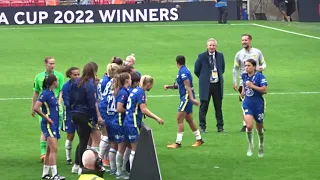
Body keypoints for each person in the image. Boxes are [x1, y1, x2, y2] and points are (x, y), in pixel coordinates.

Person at [123, 75, 164, 169]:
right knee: (135, 149)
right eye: (151, 85)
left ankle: (123, 169)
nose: (152, 87)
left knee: (129, 147)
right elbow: (144, 110)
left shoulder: (135, 90)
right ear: (148, 84)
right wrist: (157, 118)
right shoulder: (140, 92)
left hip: (128, 121)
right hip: (132, 123)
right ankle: (133, 172)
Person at [164, 55, 204, 149]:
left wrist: (192, 99)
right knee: (189, 119)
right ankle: (199, 139)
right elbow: (182, 85)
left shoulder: (183, 72)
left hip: (186, 97)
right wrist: (170, 87)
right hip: (186, 96)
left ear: (176, 62)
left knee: (179, 119)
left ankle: (178, 143)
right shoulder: (184, 70)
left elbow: (187, 86)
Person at [31, 56, 64, 162]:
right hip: (45, 109)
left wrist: (59, 103)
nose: (52, 65)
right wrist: (33, 107)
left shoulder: (59, 76)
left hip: (57, 108)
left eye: (54, 63)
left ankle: (52, 153)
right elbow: (36, 92)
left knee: (55, 130)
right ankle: (43, 153)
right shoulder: (39, 77)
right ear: (45, 64)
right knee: (44, 130)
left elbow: (61, 91)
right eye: (50, 63)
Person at [32, 74, 65, 180]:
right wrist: (46, 118)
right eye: (57, 80)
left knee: (49, 150)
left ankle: (45, 174)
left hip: (53, 124)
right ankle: (55, 174)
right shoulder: (45, 94)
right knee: (54, 149)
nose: (58, 82)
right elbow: (36, 107)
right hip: (49, 125)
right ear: (54, 82)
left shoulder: (51, 93)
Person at [70, 62, 100, 174]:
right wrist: (95, 119)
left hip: (75, 113)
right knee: (84, 140)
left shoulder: (77, 82)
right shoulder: (90, 84)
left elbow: (71, 97)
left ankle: (76, 165)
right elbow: (92, 103)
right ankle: (81, 167)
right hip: (84, 115)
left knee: (81, 139)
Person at [233, 34, 267, 132]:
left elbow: (264, 63)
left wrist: (262, 67)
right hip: (243, 82)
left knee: (258, 100)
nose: (244, 42)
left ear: (250, 40)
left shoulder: (257, 52)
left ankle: (259, 122)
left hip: (257, 81)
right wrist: (235, 82)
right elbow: (235, 69)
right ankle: (245, 124)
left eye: (246, 40)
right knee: (244, 102)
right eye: (242, 40)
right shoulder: (239, 54)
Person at [194, 38, 226, 133]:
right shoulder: (201, 56)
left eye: (213, 45)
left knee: (218, 107)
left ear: (216, 46)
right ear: (207, 46)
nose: (212, 47)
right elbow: (196, 70)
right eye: (210, 45)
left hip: (217, 84)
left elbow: (222, 69)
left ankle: (220, 127)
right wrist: (204, 78)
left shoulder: (220, 56)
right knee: (204, 106)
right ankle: (202, 127)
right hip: (206, 85)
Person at [240, 59, 267, 158]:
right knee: (249, 126)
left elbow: (264, 90)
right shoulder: (244, 75)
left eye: (249, 66)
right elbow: (244, 84)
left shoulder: (260, 76)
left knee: (259, 128)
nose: (246, 67)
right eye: (245, 66)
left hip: (258, 104)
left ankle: (261, 144)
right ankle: (251, 145)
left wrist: (252, 86)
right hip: (247, 103)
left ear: (254, 67)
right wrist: (243, 91)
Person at [98, 63, 121, 169]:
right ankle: (99, 160)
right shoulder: (115, 82)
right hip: (108, 111)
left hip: (103, 108)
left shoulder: (107, 81)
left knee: (107, 136)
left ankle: (103, 159)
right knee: (107, 137)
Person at [110, 72, 131, 179]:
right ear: (127, 80)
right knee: (122, 147)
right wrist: (130, 111)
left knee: (126, 145)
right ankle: (119, 172)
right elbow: (119, 108)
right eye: (130, 79)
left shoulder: (123, 91)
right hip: (120, 123)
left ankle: (122, 169)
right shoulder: (123, 92)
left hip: (119, 122)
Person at [61, 67, 80, 165]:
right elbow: (66, 101)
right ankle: (68, 158)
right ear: (70, 75)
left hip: (81, 114)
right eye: (75, 75)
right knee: (70, 135)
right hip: (70, 114)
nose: (77, 76)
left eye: (78, 74)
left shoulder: (82, 84)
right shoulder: (66, 86)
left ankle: (83, 157)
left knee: (83, 136)